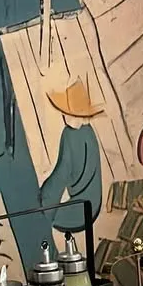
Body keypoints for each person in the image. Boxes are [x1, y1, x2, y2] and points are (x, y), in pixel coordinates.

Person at [40, 79, 104, 237]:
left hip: (81, 210)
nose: (63, 115)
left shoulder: (71, 133)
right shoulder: (88, 131)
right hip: (93, 203)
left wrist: (44, 199)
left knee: (37, 212)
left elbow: (62, 173)